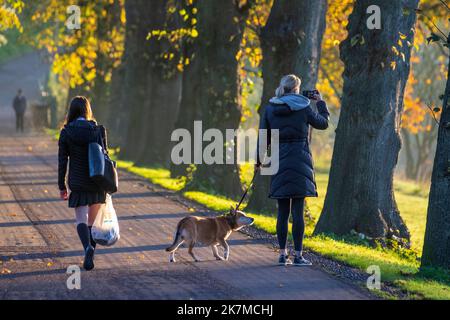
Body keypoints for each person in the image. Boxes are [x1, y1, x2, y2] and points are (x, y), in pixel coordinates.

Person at [256, 74, 329, 266]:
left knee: (282, 211)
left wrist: (259, 161)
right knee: (297, 210)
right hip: (300, 162)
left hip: (278, 161)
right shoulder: (304, 107)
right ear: (297, 89)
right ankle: (298, 256)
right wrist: (320, 102)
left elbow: (263, 137)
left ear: (282, 88)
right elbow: (323, 123)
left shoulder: (271, 107)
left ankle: (282, 254)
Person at [58, 96, 109, 271]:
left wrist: (61, 185)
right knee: (92, 222)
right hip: (96, 181)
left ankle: (86, 247)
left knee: (81, 219)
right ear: (87, 110)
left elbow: (62, 161)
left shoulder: (66, 132)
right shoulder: (98, 130)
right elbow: (105, 157)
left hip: (77, 181)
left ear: (71, 111)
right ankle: (91, 252)